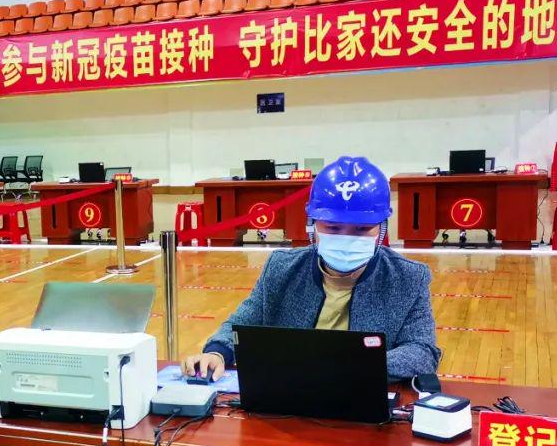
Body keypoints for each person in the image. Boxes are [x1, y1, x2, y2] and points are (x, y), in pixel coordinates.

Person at [182, 155, 440, 383]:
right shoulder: (281, 268)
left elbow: (422, 351)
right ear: (312, 225)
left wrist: (354, 365)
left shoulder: (409, 278)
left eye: (362, 229)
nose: (346, 237)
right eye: (333, 228)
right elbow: (242, 322)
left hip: (362, 397)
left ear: (381, 228)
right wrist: (217, 353)